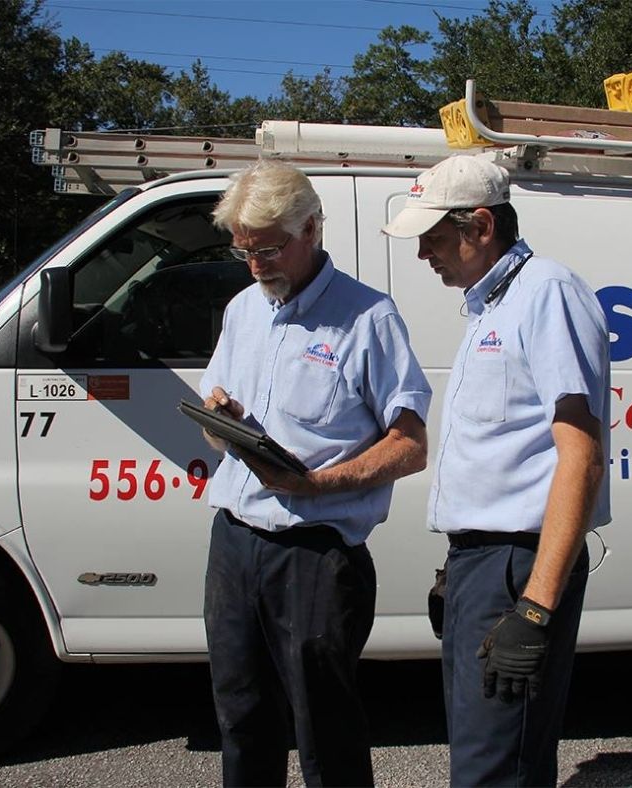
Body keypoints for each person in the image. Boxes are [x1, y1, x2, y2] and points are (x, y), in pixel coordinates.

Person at [200, 160, 431, 788]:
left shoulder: (368, 318)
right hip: (235, 541)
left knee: (323, 733)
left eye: (269, 249)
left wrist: (315, 485)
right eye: (244, 251)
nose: (256, 265)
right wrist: (222, 422)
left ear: (312, 229)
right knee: (240, 718)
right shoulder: (244, 309)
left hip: (315, 554)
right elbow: (208, 425)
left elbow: (411, 446)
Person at [382, 155, 611, 787]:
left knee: (492, 770)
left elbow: (581, 456)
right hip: (484, 565)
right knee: (492, 758)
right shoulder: (493, 304)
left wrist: (535, 607)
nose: (425, 254)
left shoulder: (548, 294)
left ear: (480, 226)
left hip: (518, 566)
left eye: (433, 238)